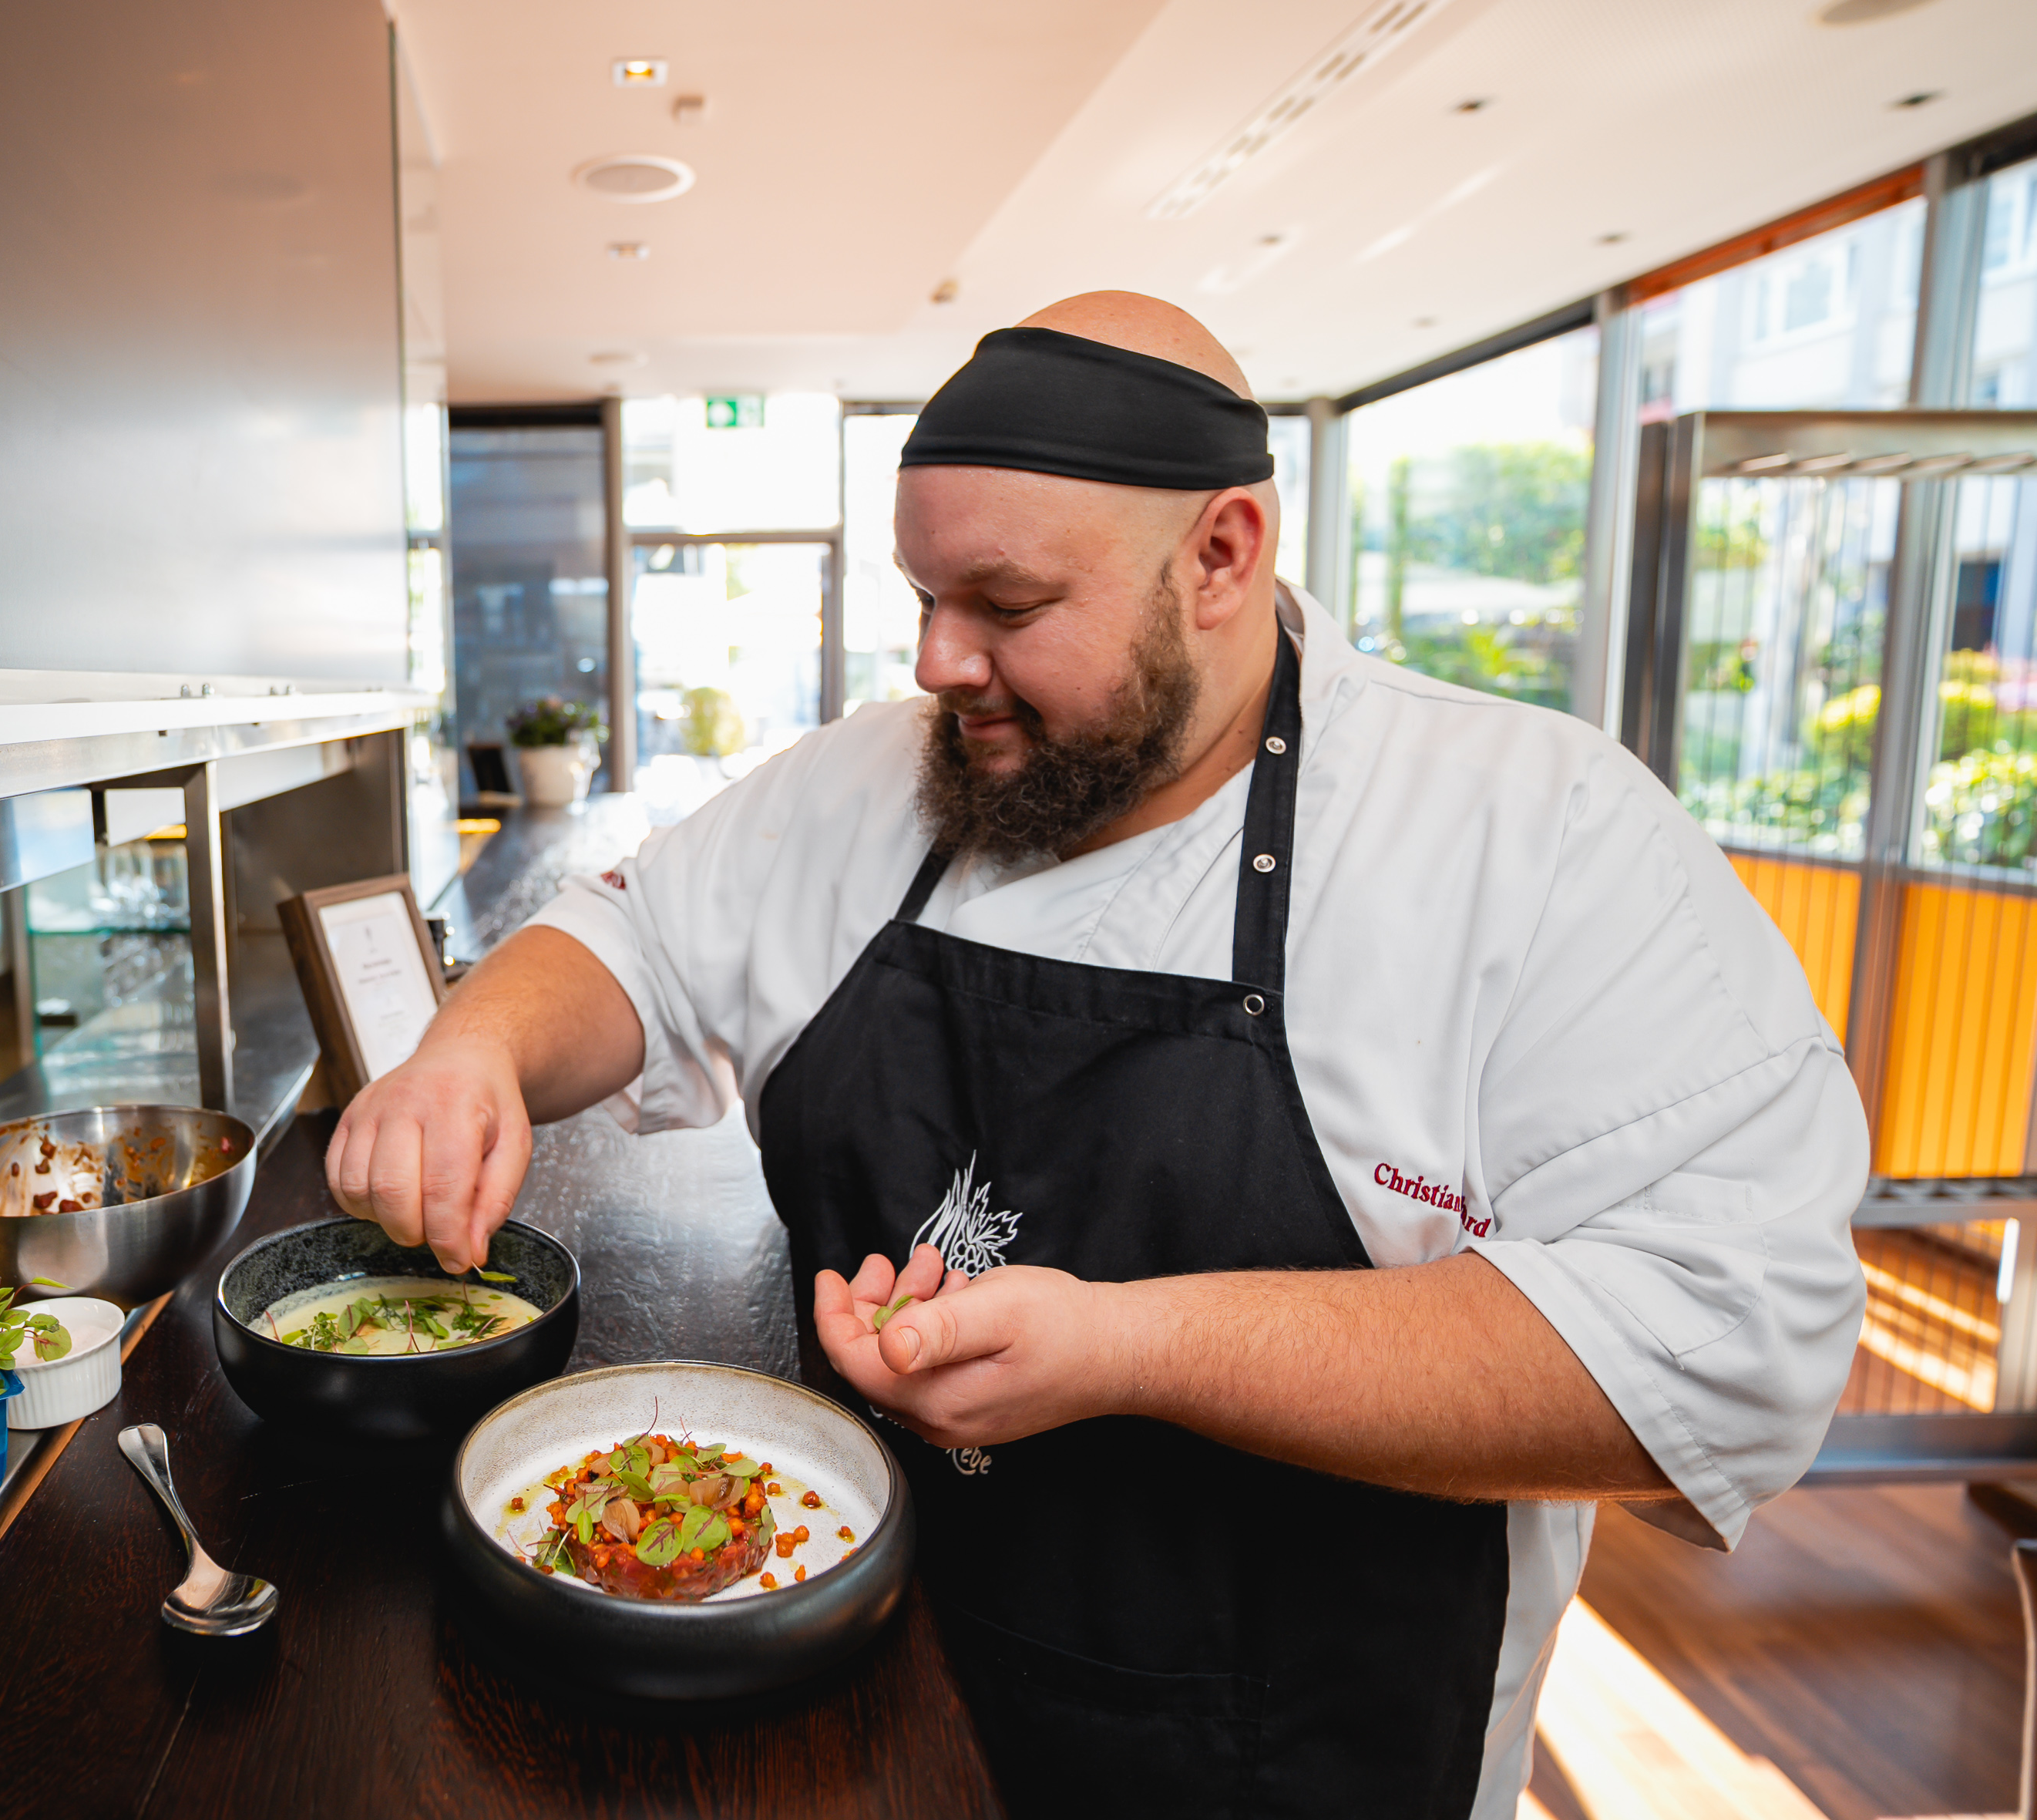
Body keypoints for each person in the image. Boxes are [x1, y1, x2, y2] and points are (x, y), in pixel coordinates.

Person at [329, 291, 1867, 1817]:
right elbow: (632, 938)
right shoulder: (869, 781)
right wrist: (472, 1049)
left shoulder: (1531, 834)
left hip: (1301, 1766)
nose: (938, 660)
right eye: (922, 596)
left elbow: (1726, 1345)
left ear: (1221, 555)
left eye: (1004, 607)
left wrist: (1132, 1348)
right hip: (861, 1700)